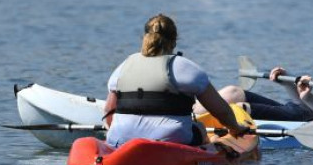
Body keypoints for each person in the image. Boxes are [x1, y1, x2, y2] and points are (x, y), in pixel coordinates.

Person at [102, 14, 251, 147]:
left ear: (144, 38)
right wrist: (235, 129)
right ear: (174, 42)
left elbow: (108, 112)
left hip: (120, 139)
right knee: (200, 128)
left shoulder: (123, 67)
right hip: (170, 140)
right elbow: (222, 111)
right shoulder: (185, 67)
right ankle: (212, 145)